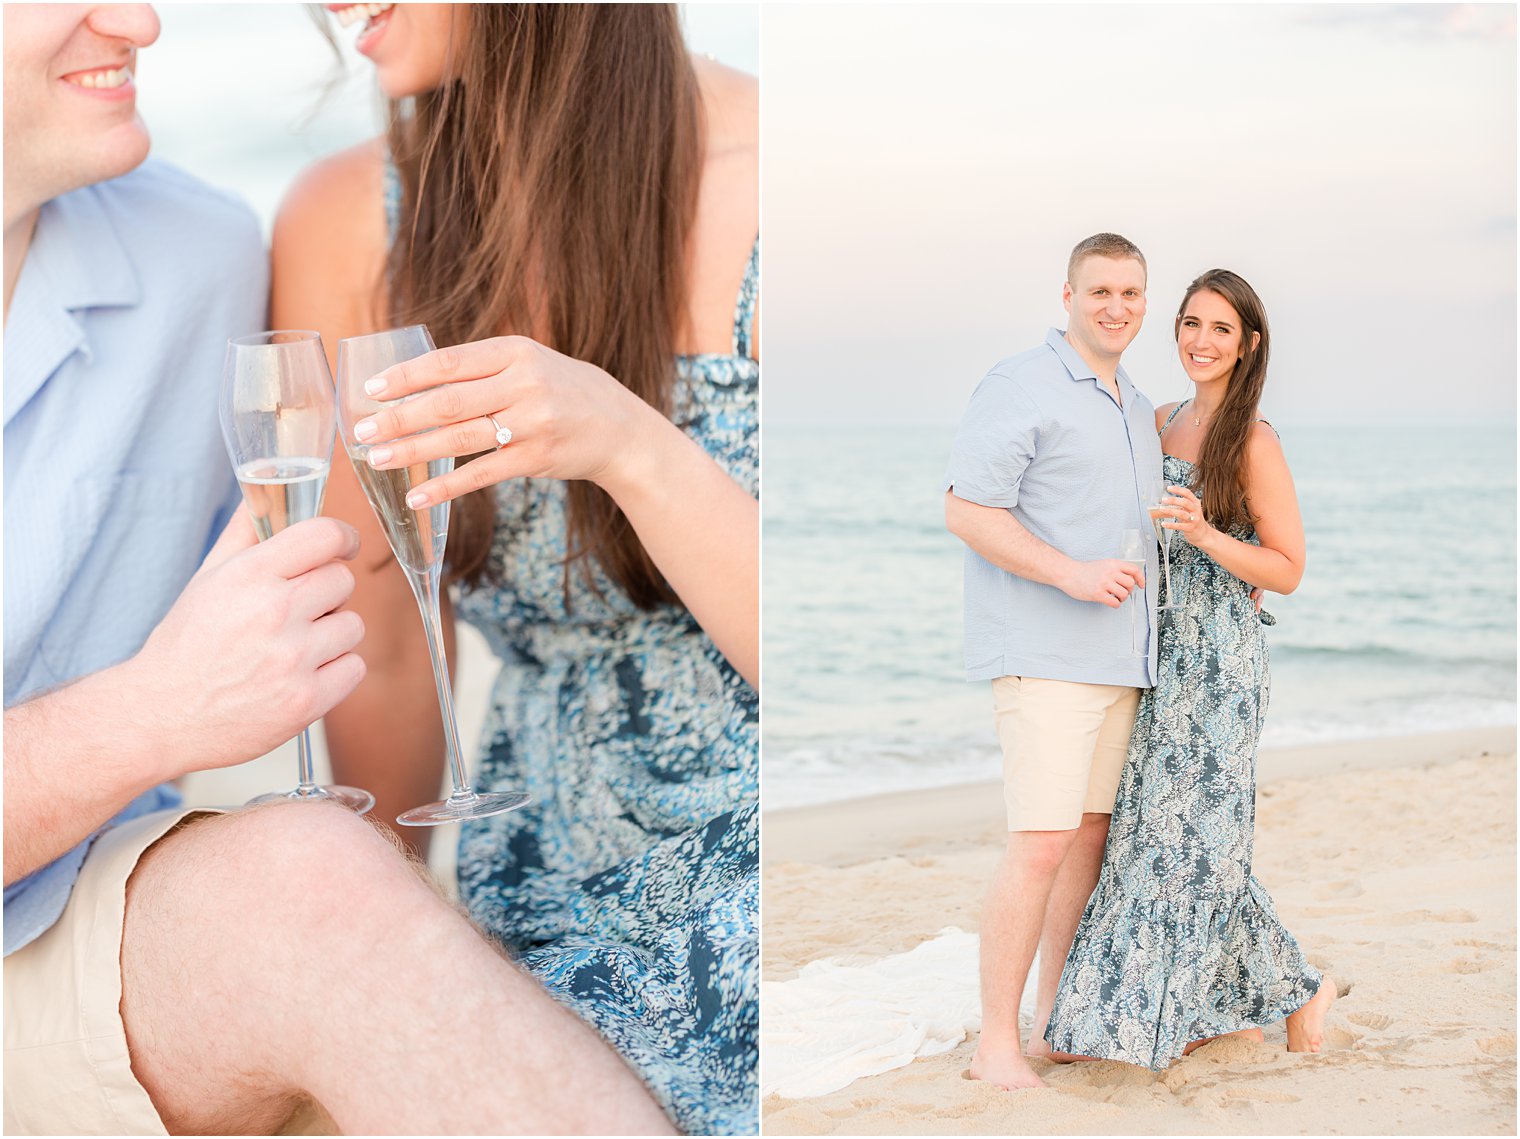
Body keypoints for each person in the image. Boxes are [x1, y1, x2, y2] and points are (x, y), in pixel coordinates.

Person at [2, 5, 673, 1134]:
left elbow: (376, 598)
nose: (140, 20)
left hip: (72, 921)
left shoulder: (199, 258)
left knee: (333, 887)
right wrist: (148, 714)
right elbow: (171, 705)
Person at [272, 5, 758, 1132]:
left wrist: (630, 443)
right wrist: (386, 941)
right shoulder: (354, 215)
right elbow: (385, 636)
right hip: (537, 851)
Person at [1044, 269, 1337, 1069]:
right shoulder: (1158, 418)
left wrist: (1208, 535)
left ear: (1248, 345)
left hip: (1220, 663)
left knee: (1204, 841)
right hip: (1149, 650)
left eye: (1221, 329)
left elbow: (1288, 568)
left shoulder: (1254, 439)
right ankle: (1221, 998)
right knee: (1154, 836)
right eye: (1191, 324)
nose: (1202, 341)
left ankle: (1299, 985)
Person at [943, 232, 1163, 1090]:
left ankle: (1052, 1021)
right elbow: (967, 509)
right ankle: (994, 1043)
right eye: (1101, 290)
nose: (1116, 306)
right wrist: (1071, 574)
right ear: (1067, 295)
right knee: (1038, 843)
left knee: (1086, 842)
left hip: (1122, 663)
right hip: (1044, 656)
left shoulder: (1136, 404)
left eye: (1132, 294)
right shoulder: (1019, 383)